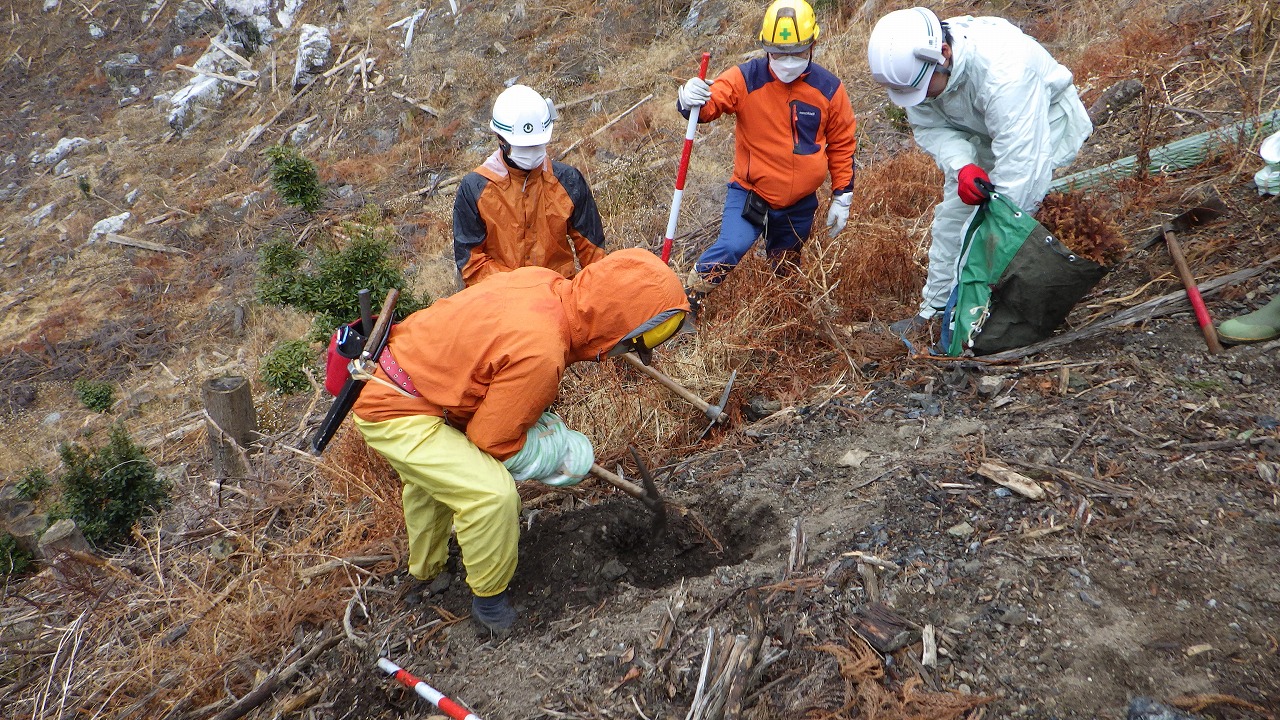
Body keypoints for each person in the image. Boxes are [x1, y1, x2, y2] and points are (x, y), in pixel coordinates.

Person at [350, 249, 690, 637]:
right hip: (396, 405)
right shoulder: (543, 349)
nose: (620, 352)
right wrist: (557, 456)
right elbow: (492, 442)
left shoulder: (541, 282)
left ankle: (427, 572)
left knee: (434, 482)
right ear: (614, 323)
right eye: (628, 342)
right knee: (490, 494)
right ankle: (488, 602)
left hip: (414, 377)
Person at [867, 7, 1093, 334]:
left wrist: (987, 234)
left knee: (999, 223)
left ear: (944, 54)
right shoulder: (920, 68)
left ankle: (978, 312)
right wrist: (962, 165)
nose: (918, 98)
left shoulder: (1006, 71)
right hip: (978, 132)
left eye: (923, 88)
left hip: (1039, 125)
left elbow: (1019, 176)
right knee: (952, 219)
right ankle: (935, 311)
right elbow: (930, 127)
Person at [677, 0, 857, 308]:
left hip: (799, 203)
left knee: (786, 265)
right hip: (751, 192)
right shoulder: (746, 78)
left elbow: (842, 142)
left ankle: (781, 314)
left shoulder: (829, 89)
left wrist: (843, 193)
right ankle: (687, 303)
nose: (787, 61)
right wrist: (689, 99)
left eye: (797, 52)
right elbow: (709, 106)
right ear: (765, 47)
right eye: (778, 53)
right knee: (731, 247)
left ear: (813, 44)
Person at [453, 84, 607, 288]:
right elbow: (471, 265)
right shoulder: (475, 188)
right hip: (501, 300)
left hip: (557, 298)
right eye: (524, 146)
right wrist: (521, 288)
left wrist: (596, 294)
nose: (531, 151)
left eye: (537, 144)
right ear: (501, 139)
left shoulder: (568, 181)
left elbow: (594, 256)